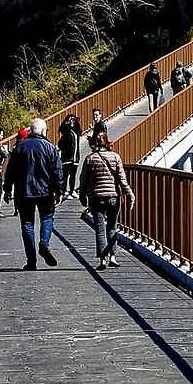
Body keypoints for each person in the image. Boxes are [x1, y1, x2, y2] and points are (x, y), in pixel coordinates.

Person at [4, 118, 65, 270]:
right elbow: (57, 171)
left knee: (27, 224)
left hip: (24, 192)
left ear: (31, 131)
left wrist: (7, 189)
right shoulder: (50, 148)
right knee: (47, 218)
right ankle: (44, 243)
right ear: (43, 131)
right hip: (45, 192)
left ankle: (31, 261)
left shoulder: (20, 147)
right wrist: (58, 191)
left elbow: (10, 171)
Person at [79, 124, 135, 269]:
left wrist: (82, 195)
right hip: (113, 196)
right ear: (107, 141)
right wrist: (130, 195)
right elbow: (122, 180)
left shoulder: (90, 158)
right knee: (112, 227)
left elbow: (83, 180)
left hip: (96, 197)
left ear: (95, 143)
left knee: (99, 228)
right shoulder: (115, 157)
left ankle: (102, 260)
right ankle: (113, 257)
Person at [56, 113, 84, 200]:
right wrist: (67, 123)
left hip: (75, 157)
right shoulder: (66, 131)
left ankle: (72, 191)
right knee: (65, 175)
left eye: (73, 119)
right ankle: (64, 191)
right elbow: (61, 141)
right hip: (67, 157)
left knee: (73, 175)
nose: (72, 121)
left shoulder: (75, 131)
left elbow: (79, 133)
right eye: (70, 119)